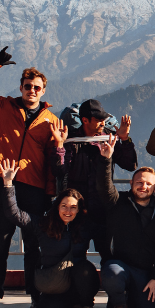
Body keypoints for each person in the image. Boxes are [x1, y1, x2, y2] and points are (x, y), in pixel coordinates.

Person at [0, 46, 61, 308]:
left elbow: (54, 161)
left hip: (35, 191)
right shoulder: (3, 107)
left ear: (44, 91)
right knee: (1, 245)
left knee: (34, 247)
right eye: (27, 86)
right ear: (20, 87)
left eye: (37, 87)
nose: (32, 90)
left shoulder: (51, 121)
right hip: (5, 185)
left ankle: (35, 296)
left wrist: (51, 193)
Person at [0, 159, 100, 308]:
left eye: (73, 207)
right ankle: (69, 307)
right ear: (57, 206)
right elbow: (14, 214)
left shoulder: (85, 226)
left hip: (78, 283)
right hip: (55, 285)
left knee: (84, 268)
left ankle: (86, 306)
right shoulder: (43, 225)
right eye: (64, 206)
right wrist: (8, 184)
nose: (68, 211)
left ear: (79, 210)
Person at [51, 100, 123, 281]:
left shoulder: (107, 138)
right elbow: (59, 171)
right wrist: (59, 145)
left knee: (109, 256)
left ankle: (115, 297)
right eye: (98, 119)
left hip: (104, 212)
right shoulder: (72, 140)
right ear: (84, 120)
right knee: (77, 257)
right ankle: (79, 300)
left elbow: (130, 163)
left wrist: (125, 140)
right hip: (79, 214)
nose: (102, 123)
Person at [102, 166, 155, 308]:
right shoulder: (118, 202)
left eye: (149, 184)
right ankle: (120, 306)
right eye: (139, 182)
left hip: (143, 271)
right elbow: (104, 186)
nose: (143, 186)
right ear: (131, 183)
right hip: (119, 265)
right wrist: (105, 160)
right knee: (112, 274)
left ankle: (131, 299)